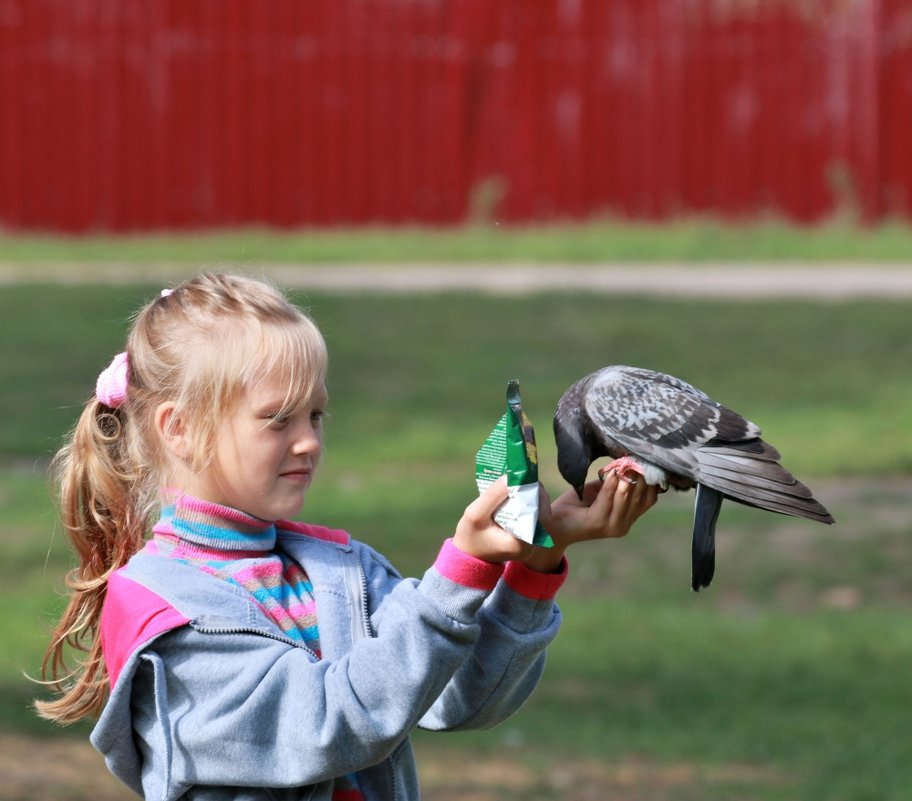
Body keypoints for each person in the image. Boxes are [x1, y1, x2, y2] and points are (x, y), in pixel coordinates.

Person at [37, 272, 658, 800]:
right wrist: (461, 569)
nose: (308, 440)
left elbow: (463, 695)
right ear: (179, 428)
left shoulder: (341, 572)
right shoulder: (164, 614)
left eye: (315, 414)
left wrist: (537, 557)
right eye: (278, 420)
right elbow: (329, 722)